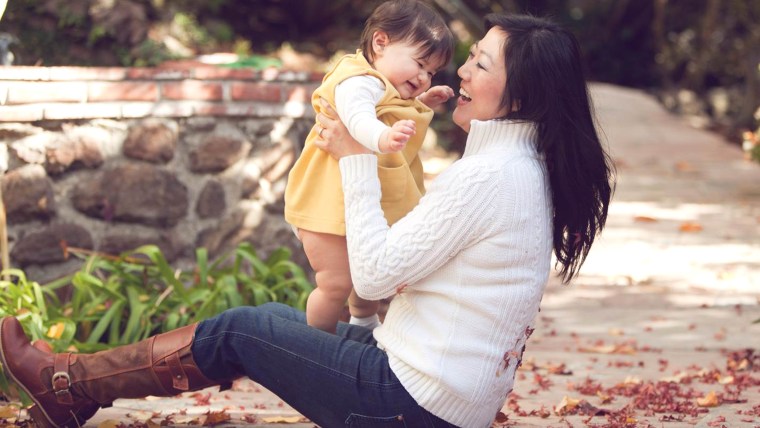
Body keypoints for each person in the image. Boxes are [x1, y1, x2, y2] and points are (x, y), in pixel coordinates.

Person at [0, 13, 613, 428]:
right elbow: (407, 265)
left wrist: (353, 159)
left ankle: (66, 386)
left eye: (480, 64)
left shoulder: (491, 176)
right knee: (268, 323)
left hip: (410, 403)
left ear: (523, 94)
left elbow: (371, 278)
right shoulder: (517, 165)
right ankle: (72, 390)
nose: (462, 75)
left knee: (243, 329)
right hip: (439, 394)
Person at [284, 0, 455, 332]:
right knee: (335, 283)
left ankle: (363, 330)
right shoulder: (357, 79)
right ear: (380, 43)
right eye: (420, 64)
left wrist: (420, 103)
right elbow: (360, 117)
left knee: (367, 285)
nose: (423, 77)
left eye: (431, 72)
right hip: (327, 207)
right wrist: (382, 137)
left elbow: (387, 108)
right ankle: (315, 346)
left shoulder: (384, 85)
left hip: (355, 208)